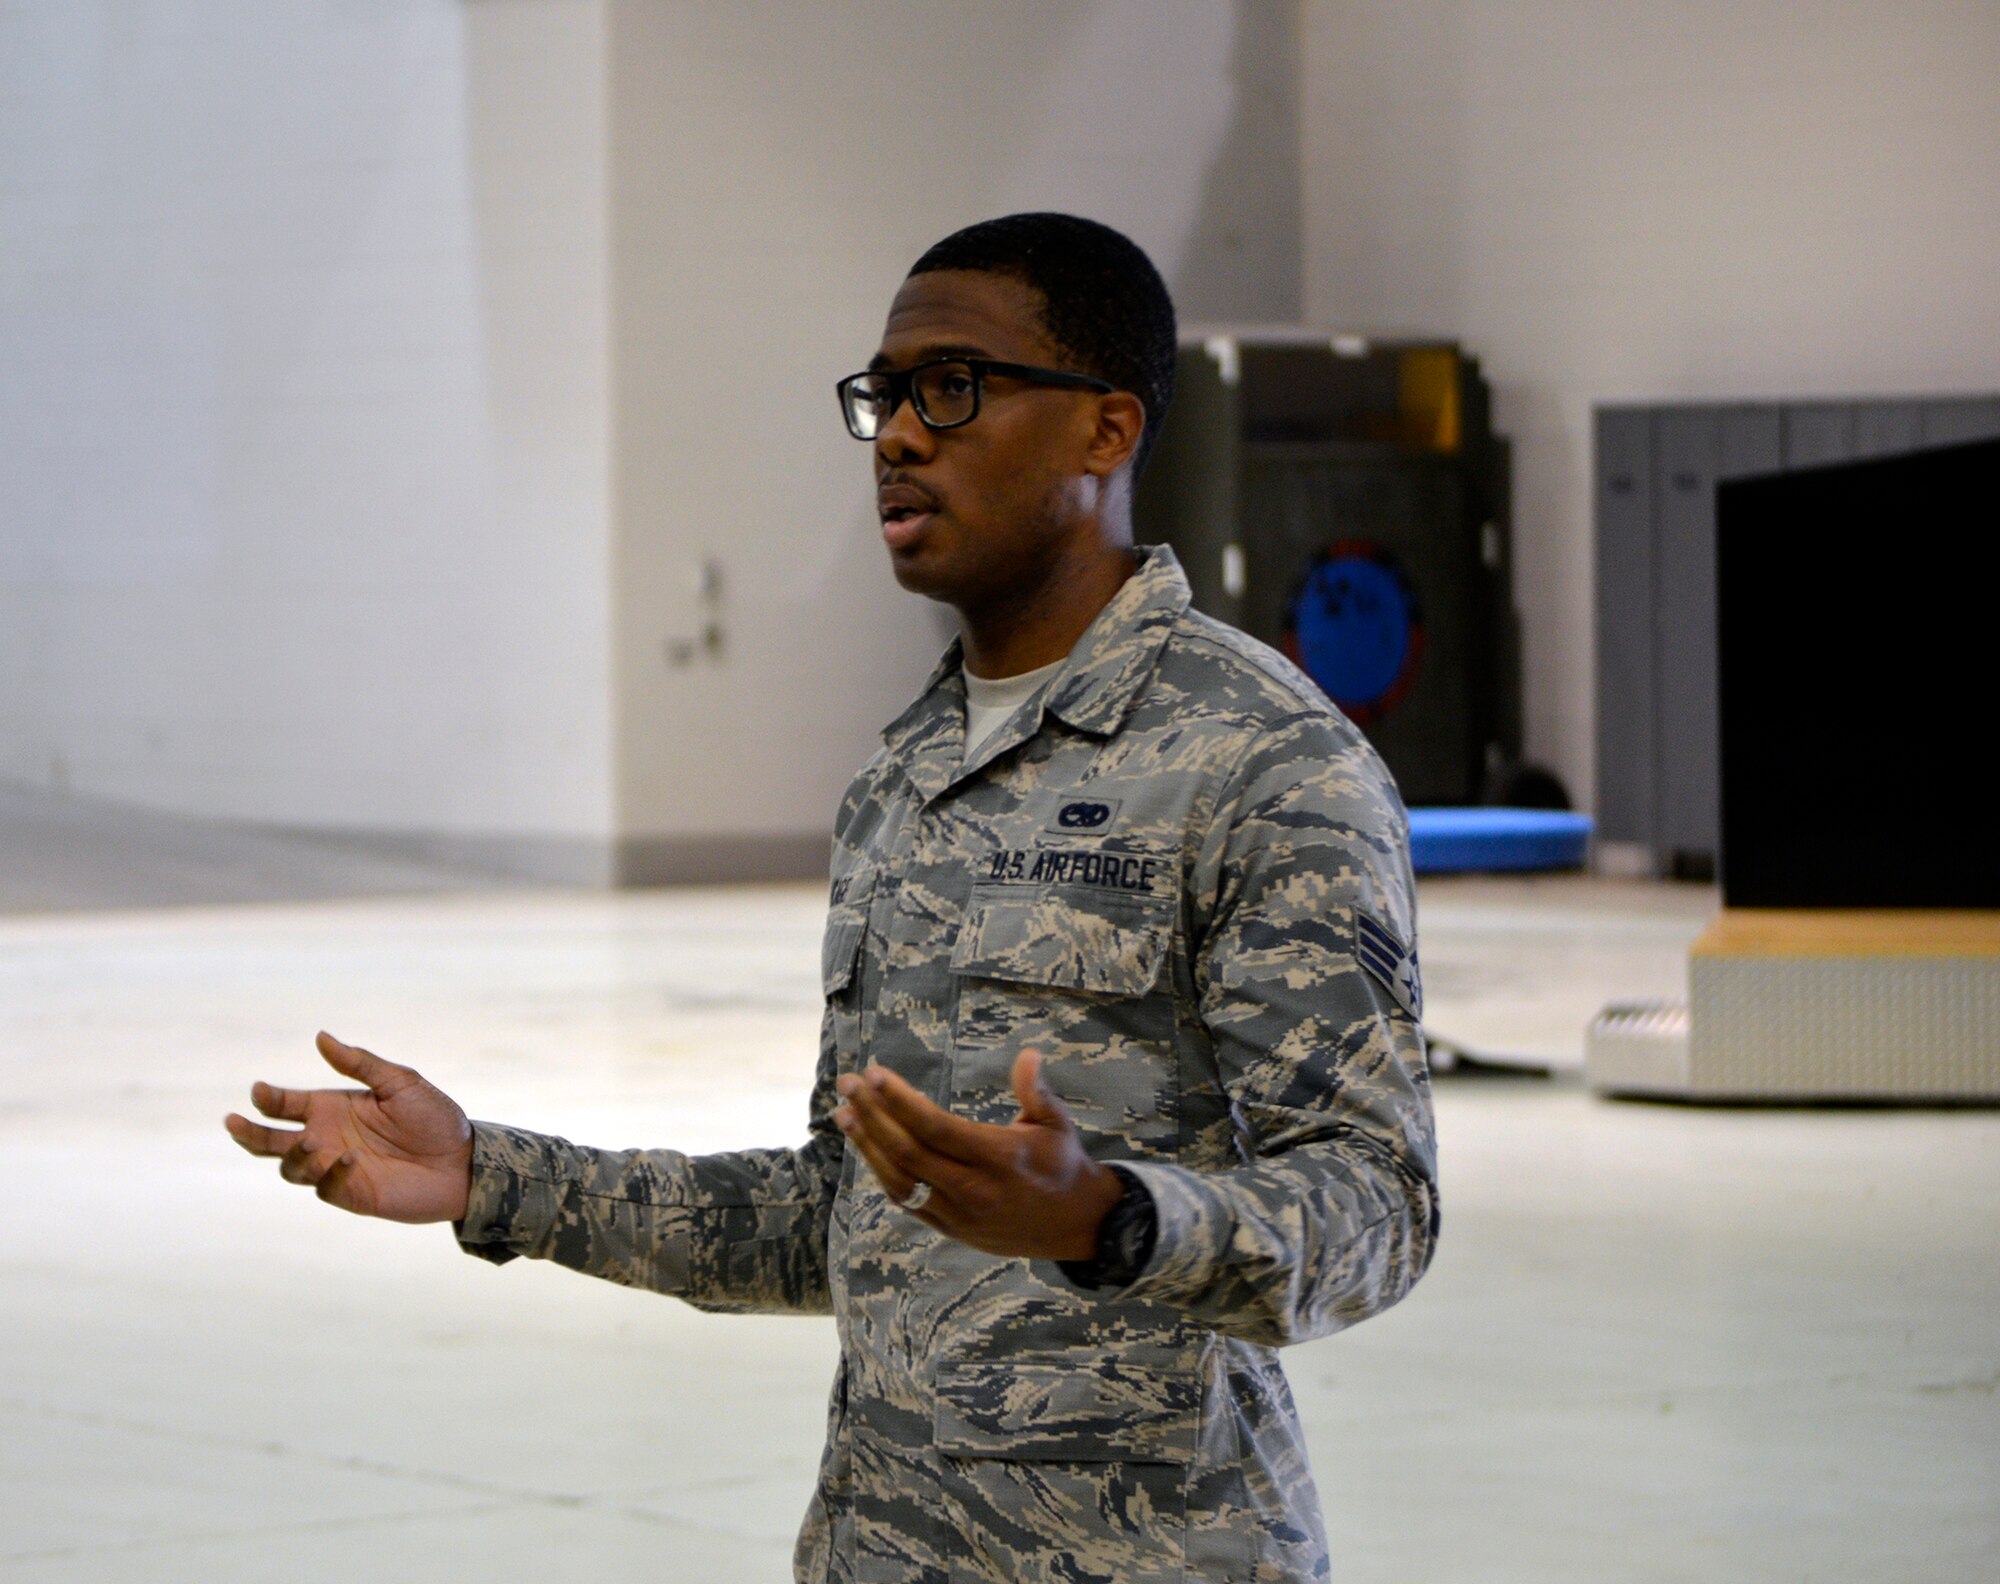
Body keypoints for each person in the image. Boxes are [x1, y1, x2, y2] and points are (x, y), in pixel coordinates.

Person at [226, 212, 1439, 1584]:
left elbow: (1377, 1205)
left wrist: (1110, 1216)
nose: (900, 437)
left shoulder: (1264, 762)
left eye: (954, 387)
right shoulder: (903, 780)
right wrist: (492, 1179)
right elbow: (839, 1215)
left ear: (1106, 433)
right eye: (885, 394)